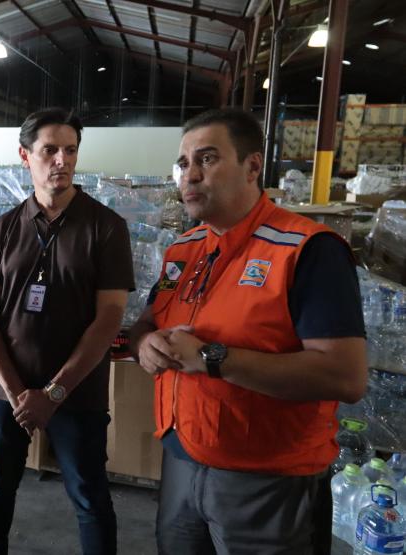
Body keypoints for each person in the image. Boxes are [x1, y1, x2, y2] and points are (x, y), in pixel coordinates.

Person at [129, 108, 368, 555]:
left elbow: (344, 377)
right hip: (182, 457)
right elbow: (148, 322)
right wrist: (145, 345)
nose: (191, 175)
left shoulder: (307, 250)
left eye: (208, 159)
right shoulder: (182, 251)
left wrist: (211, 359)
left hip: (268, 480)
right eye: (183, 164)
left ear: (252, 166)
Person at [0, 107, 134, 555]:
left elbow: (108, 319)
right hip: (7, 392)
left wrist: (54, 393)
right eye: (50, 150)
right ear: (25, 156)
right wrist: (18, 392)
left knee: (89, 496)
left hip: (76, 394)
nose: (61, 160)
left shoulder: (106, 228)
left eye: (70, 150)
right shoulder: (3, 229)